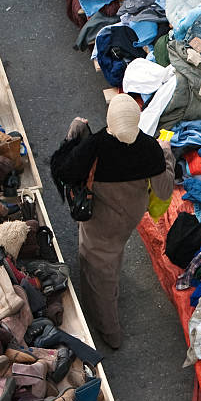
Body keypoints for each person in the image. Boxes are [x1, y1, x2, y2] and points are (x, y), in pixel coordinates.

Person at [51, 93, 175, 348]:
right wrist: (167, 156)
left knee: (100, 271)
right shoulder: (150, 147)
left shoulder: (95, 146)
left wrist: (73, 134)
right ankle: (100, 288)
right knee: (111, 254)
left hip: (101, 219)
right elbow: (163, 191)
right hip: (129, 217)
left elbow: (63, 169)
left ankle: (110, 332)